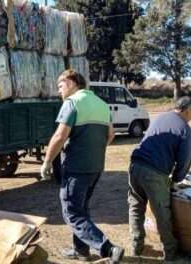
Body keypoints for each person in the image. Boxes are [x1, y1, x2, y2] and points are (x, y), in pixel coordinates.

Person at [40, 70, 124, 263]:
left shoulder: (72, 103)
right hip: (95, 167)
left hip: (76, 168)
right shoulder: (102, 105)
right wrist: (93, 149)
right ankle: (81, 251)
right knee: (82, 210)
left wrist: (46, 162)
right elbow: (111, 135)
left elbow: (60, 136)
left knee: (72, 213)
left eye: (60, 86)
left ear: (70, 83)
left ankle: (109, 249)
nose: (59, 91)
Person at [128, 96, 191, 262]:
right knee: (162, 211)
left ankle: (136, 246)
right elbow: (184, 161)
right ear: (187, 110)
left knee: (136, 206)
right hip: (154, 172)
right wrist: (176, 180)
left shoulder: (160, 117)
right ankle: (170, 251)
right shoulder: (185, 130)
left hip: (135, 165)